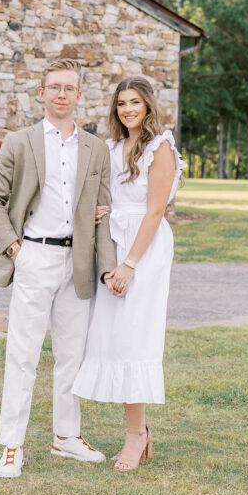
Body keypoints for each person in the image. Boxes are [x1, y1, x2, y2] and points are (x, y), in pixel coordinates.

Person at [0, 58, 117, 479]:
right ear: (41, 93)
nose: (62, 94)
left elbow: (104, 212)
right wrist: (16, 251)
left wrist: (108, 268)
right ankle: (11, 445)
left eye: (69, 88)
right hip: (34, 258)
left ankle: (66, 437)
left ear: (79, 96)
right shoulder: (19, 142)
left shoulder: (96, 149)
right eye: (54, 87)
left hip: (78, 262)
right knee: (22, 355)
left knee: (71, 356)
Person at [72, 76, 186, 472]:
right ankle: (137, 429)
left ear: (148, 105)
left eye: (135, 101)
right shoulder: (111, 147)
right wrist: (104, 214)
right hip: (114, 247)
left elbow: (155, 211)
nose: (127, 109)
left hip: (143, 251)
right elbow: (108, 197)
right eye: (121, 103)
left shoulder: (160, 147)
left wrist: (130, 264)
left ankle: (136, 435)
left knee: (134, 339)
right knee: (114, 339)